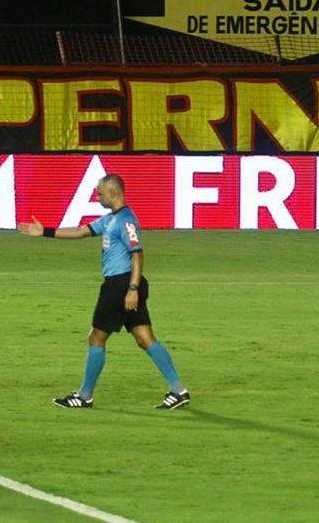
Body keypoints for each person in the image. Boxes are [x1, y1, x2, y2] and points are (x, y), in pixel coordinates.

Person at [17, 173, 190, 410]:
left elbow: (137, 254)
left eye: (100, 192)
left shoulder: (126, 221)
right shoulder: (111, 219)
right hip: (124, 285)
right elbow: (81, 231)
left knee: (96, 338)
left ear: (114, 193)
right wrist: (45, 232)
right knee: (144, 338)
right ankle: (178, 390)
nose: (97, 196)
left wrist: (132, 289)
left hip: (121, 285)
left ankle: (84, 396)